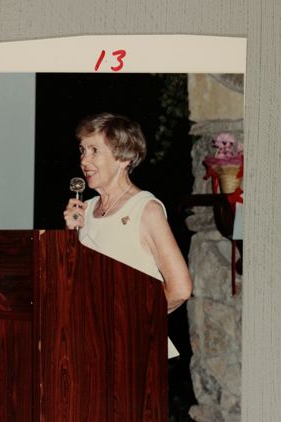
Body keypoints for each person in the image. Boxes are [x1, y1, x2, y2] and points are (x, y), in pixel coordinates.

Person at [64, 113, 192, 356]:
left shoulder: (146, 209)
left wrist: (130, 323)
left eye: (94, 150)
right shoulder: (85, 210)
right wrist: (69, 238)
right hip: (87, 345)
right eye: (82, 150)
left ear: (123, 158)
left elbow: (180, 288)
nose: (84, 160)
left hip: (131, 349)